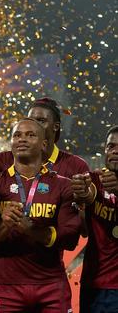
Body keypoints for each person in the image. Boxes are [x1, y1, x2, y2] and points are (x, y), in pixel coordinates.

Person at [0, 118, 81, 312]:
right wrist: (4, 225)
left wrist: (31, 229)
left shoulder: (63, 185)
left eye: (30, 135)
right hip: (7, 287)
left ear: (44, 144)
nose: (22, 139)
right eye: (17, 135)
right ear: (11, 143)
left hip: (51, 286)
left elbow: (70, 239)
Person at [72, 125, 118, 312]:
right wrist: (81, 199)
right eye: (111, 146)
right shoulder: (94, 181)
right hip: (96, 284)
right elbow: (83, 229)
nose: (115, 151)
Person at [0, 97, 89, 178]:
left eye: (41, 121)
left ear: (56, 126)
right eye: (31, 120)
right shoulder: (2, 161)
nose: (33, 125)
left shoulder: (76, 166)